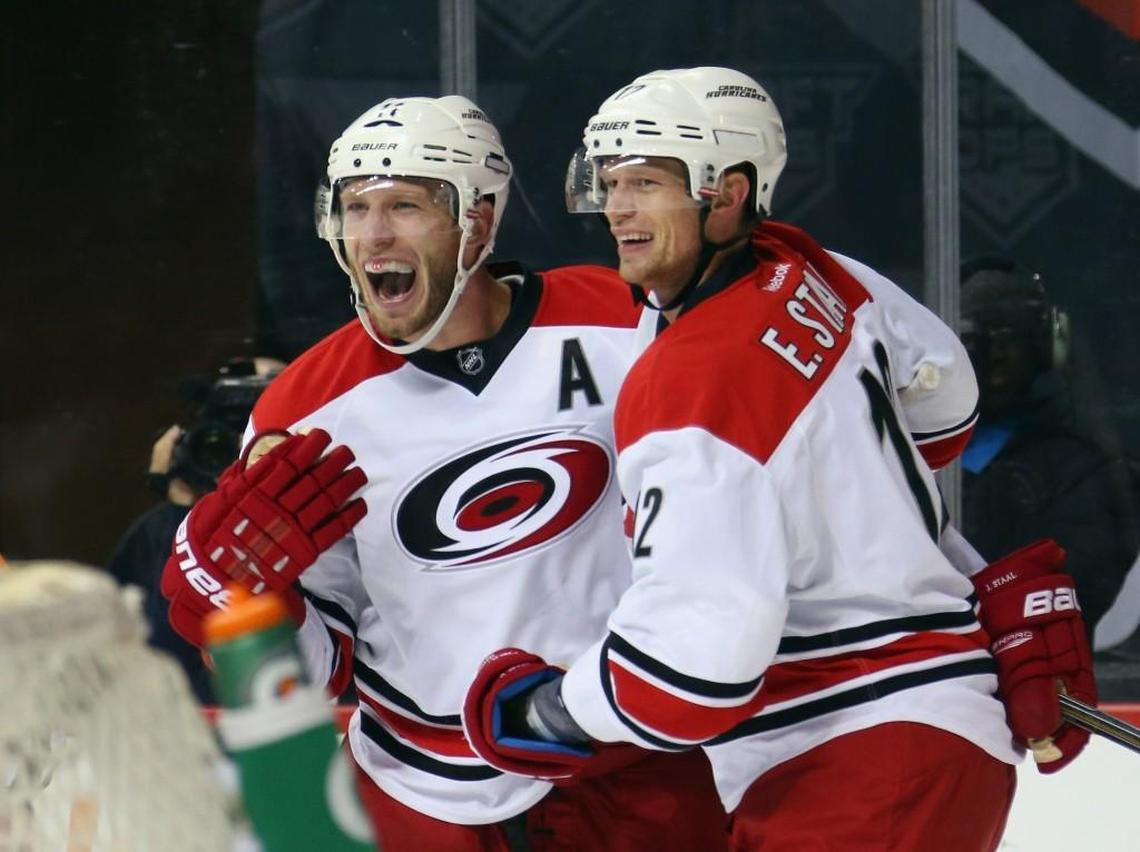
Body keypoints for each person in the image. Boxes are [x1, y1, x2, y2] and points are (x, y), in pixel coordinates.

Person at [461, 67, 1096, 851]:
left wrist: (552, 710)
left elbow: (692, 668)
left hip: (859, 753)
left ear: (726, 194)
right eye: (610, 182)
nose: (617, 208)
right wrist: (862, 518)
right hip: (908, 740)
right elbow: (945, 409)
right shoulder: (819, 274)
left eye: (649, 184)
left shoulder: (691, 381)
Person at [160, 95, 729, 851]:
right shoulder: (304, 411)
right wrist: (254, 608)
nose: (375, 234)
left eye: (405, 205)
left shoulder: (629, 323)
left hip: (628, 766)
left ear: (480, 223)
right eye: (356, 208)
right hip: (421, 793)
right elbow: (323, 668)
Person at [959, 257, 1140, 636]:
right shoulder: (902, 457)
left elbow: (1080, 588)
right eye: (977, 338)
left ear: (1046, 344)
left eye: (1012, 335)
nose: (997, 354)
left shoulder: (1084, 471)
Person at [108, 357, 282, 703]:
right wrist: (183, 514)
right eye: (222, 445)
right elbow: (166, 667)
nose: (238, 459)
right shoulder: (158, 530)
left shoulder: (326, 518)